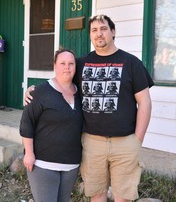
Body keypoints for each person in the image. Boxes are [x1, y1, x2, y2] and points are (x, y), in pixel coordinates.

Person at [24, 14, 154, 202]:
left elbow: (145, 102)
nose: (99, 34)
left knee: (123, 197)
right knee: (97, 194)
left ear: (113, 32)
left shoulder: (131, 63)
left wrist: (138, 139)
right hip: (92, 142)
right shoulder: (81, 64)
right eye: (94, 30)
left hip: (125, 142)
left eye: (103, 29)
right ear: (90, 35)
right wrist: (34, 89)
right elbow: (61, 79)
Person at [20, 49, 83, 202]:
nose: (67, 67)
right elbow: (27, 124)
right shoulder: (39, 92)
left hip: (71, 165)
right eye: (62, 63)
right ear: (55, 66)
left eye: (71, 64)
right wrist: (29, 153)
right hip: (43, 163)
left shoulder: (81, 93)